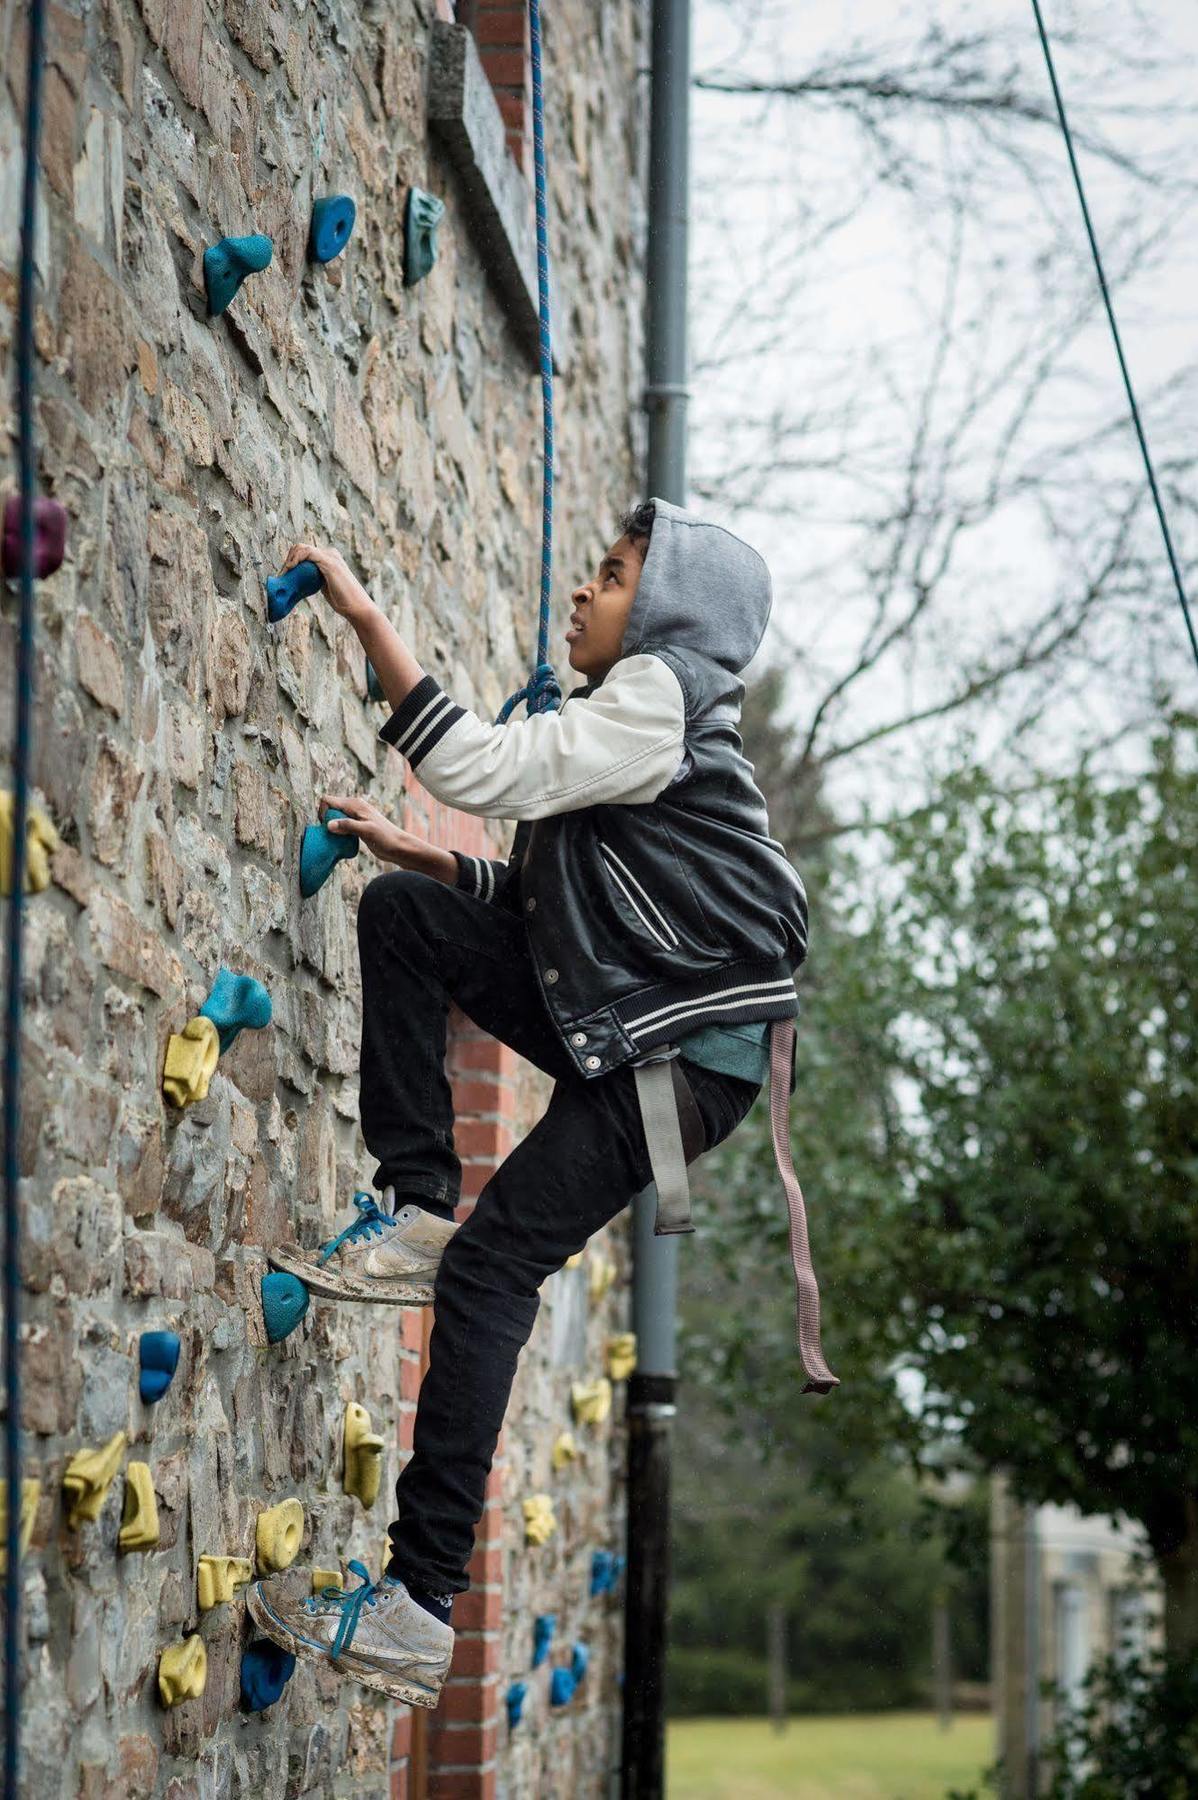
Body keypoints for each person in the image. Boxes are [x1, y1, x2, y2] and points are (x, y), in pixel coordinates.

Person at [247, 498, 830, 1707]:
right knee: (406, 914)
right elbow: (591, 916)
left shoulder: (659, 697)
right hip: (638, 1025)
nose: (583, 592)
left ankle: (414, 1610)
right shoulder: (638, 717)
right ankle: (415, 1204)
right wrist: (442, 865)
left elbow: (472, 765)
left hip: (682, 1072)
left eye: (611, 577)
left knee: (490, 1273)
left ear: (663, 613)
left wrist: (362, 612)